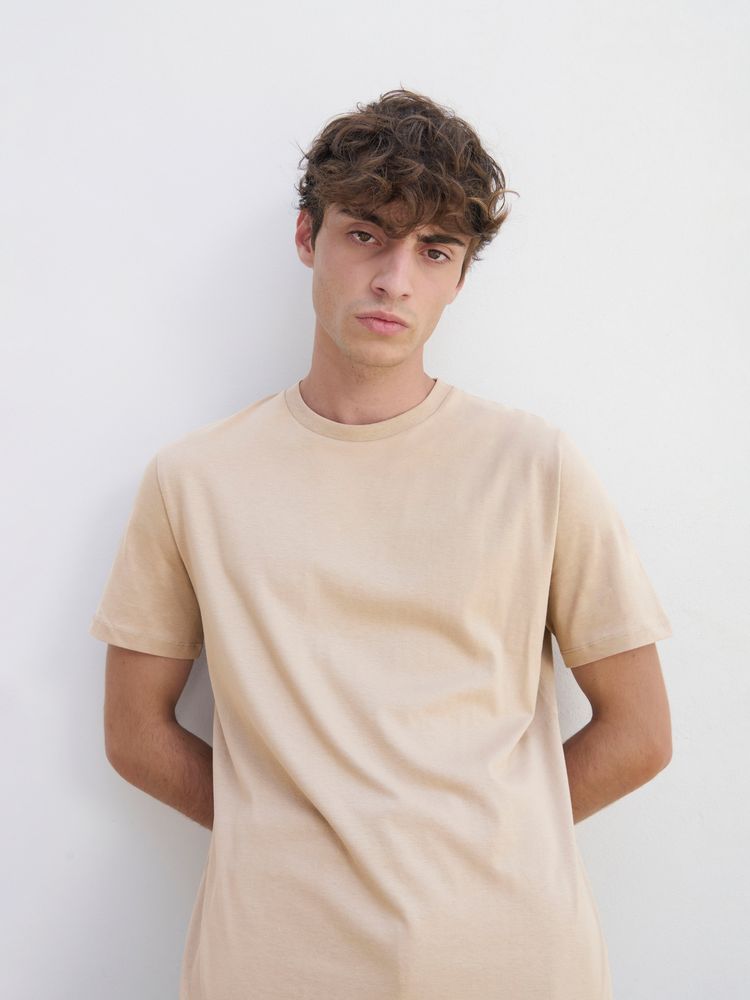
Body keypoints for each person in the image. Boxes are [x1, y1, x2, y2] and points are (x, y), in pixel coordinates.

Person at [89, 88, 674, 1000]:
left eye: (434, 251)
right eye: (366, 234)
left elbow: (640, 733)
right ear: (307, 237)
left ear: (459, 277)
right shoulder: (194, 479)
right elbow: (134, 733)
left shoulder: (535, 466)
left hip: (511, 957)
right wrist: (283, 839)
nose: (395, 278)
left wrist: (489, 838)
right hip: (272, 960)